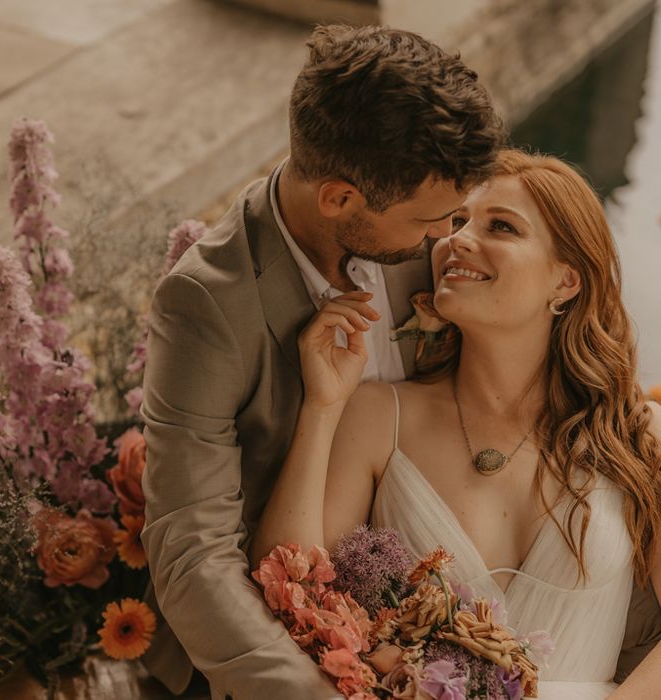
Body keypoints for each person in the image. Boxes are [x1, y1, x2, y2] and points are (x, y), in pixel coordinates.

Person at [139, 24, 504, 699]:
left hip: (439, 617)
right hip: (266, 643)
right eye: (434, 220)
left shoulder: (428, 224)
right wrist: (312, 689)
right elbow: (192, 550)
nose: (450, 239)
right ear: (340, 197)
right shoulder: (204, 305)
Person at [250, 149, 661, 699]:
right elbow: (290, 585)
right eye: (458, 221)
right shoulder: (377, 417)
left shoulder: (637, 436)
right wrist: (322, 407)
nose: (456, 239)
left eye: (501, 227)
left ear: (566, 281)